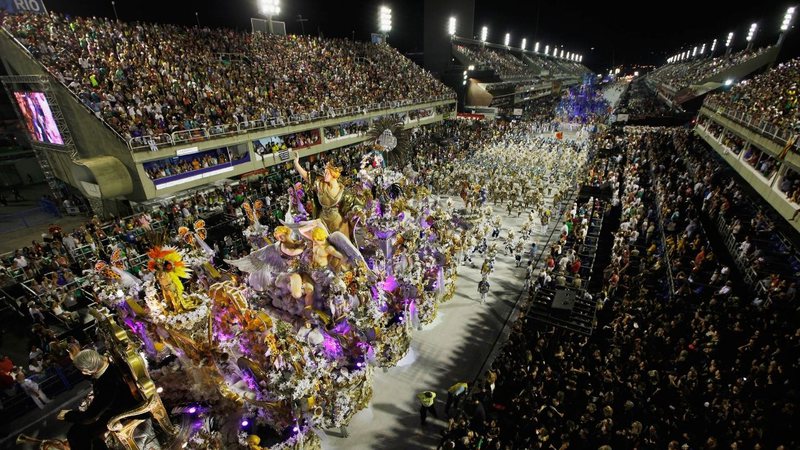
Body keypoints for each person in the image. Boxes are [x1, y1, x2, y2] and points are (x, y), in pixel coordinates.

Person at [58, 349, 139, 450]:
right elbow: (93, 376)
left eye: (82, 371)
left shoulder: (108, 384)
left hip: (121, 410)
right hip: (117, 401)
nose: (82, 373)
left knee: (77, 435)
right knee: (79, 431)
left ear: (87, 370)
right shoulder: (105, 362)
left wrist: (68, 415)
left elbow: (90, 417)